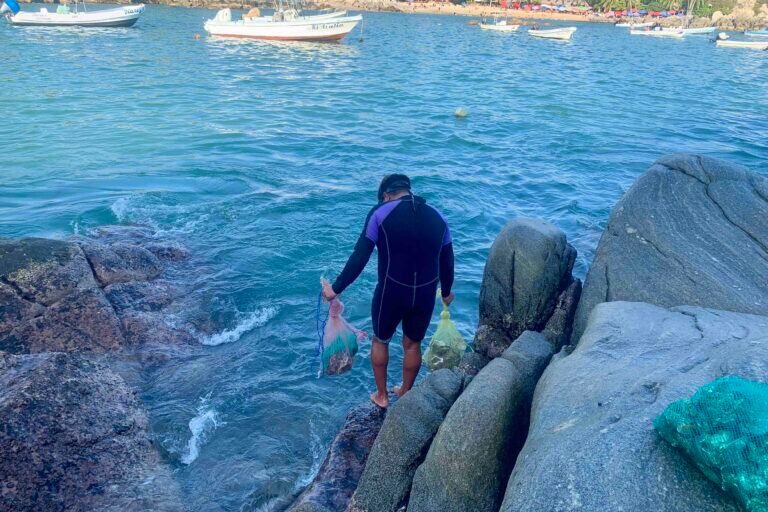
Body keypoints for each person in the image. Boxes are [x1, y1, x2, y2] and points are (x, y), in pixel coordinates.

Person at [322, 174, 454, 408]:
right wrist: (446, 291)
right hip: (424, 294)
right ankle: (404, 392)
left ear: (386, 196)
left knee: (381, 340)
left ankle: (382, 396)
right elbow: (447, 259)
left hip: (391, 292)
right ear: (408, 190)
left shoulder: (380, 213)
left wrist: (336, 288)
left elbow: (360, 256)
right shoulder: (438, 216)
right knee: (413, 345)